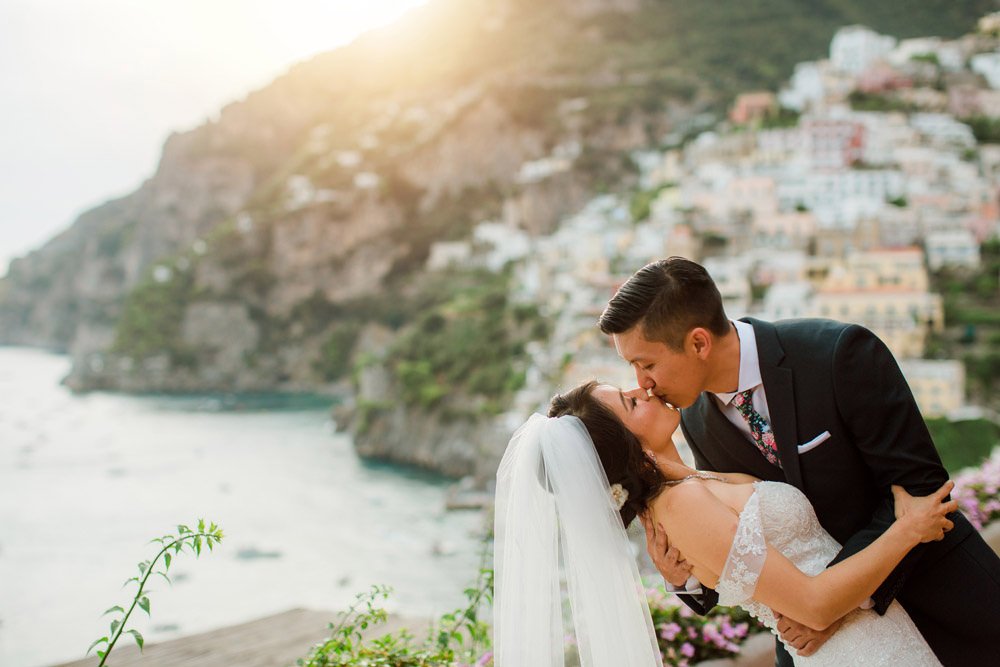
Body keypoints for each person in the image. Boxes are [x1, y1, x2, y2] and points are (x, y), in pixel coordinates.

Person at [596, 257, 1000, 665]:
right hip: (826, 651)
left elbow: (919, 485)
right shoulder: (696, 420)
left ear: (698, 343)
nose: (643, 383)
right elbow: (743, 542)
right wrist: (683, 578)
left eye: (646, 364)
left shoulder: (837, 355)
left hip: (945, 608)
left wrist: (830, 602)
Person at [492, 390, 955, 666]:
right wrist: (908, 529)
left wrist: (685, 583)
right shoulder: (680, 503)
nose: (645, 389)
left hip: (869, 634)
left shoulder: (689, 480)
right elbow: (813, 607)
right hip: (858, 651)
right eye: (632, 402)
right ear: (629, 446)